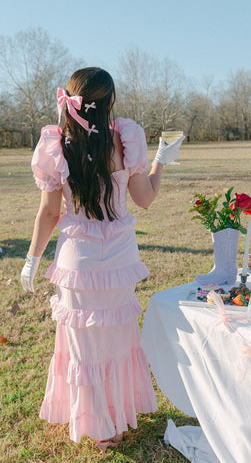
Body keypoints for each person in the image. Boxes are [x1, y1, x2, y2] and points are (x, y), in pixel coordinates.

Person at [20, 67, 184, 454]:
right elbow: (145, 198)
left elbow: (48, 213)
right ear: (109, 103)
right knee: (114, 341)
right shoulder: (126, 138)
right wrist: (162, 159)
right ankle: (115, 418)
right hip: (119, 261)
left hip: (78, 263)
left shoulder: (56, 144)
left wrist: (31, 260)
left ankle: (99, 425)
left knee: (83, 347)